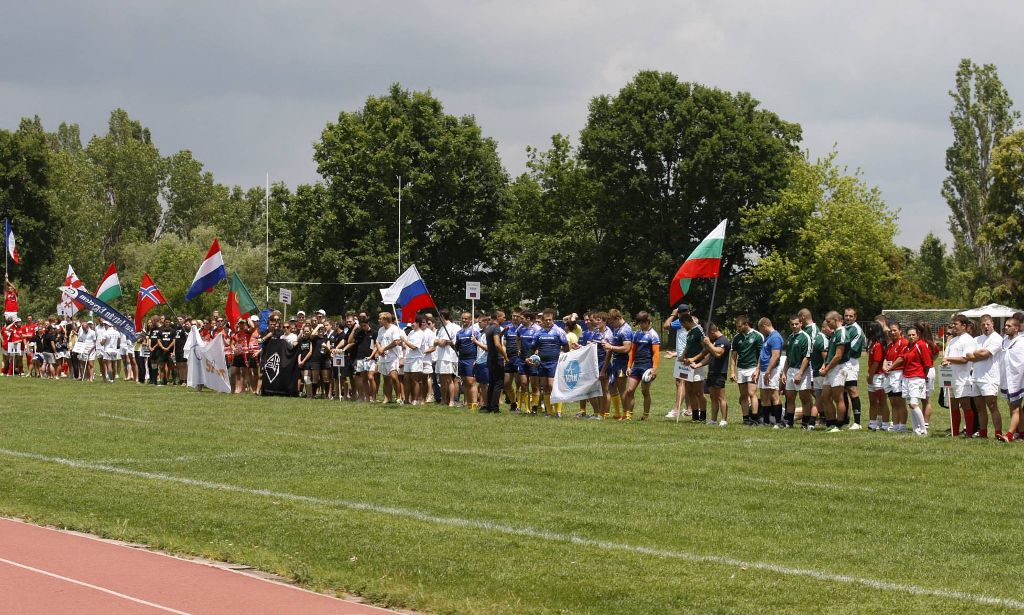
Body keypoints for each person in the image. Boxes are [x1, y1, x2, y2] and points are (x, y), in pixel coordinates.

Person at [885, 323, 933, 437]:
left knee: (914, 403)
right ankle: (916, 429)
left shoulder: (921, 345)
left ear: (918, 335)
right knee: (910, 404)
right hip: (906, 377)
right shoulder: (908, 347)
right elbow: (901, 358)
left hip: (916, 378)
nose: (911, 337)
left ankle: (923, 429)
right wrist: (890, 368)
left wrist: (922, 376)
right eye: (909, 335)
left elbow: (927, 364)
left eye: (913, 335)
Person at [967, 314, 1003, 439]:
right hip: (976, 376)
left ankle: (998, 433)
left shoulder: (997, 338)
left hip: (990, 377)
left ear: (992, 323)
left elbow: (986, 353)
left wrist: (977, 353)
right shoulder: (976, 339)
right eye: (983, 324)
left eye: (988, 324)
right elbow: (968, 356)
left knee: (992, 406)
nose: (985, 327)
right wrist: (978, 354)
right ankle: (983, 434)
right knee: (980, 407)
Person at [942, 314, 977, 437]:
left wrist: (948, 358)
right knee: (953, 406)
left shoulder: (968, 340)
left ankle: (968, 433)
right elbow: (946, 357)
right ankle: (954, 433)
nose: (953, 326)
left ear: (964, 326)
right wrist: (945, 362)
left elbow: (965, 359)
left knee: (966, 405)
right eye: (953, 324)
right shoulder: (952, 340)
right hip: (951, 377)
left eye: (956, 324)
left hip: (962, 378)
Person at [622, 311, 659, 421]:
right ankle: (629, 415)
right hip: (637, 366)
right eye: (640, 323)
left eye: (643, 322)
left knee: (645, 391)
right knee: (629, 390)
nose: (641, 325)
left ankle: (645, 415)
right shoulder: (637, 334)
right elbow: (632, 352)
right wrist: (629, 366)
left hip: (647, 367)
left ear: (648, 321)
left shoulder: (653, 335)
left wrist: (654, 369)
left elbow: (656, 353)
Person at [531, 308, 569, 417]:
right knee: (545, 387)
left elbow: (566, 346)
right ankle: (549, 411)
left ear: (553, 320)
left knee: (553, 386)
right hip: (542, 363)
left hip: (554, 363)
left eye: (550, 320)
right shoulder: (538, 333)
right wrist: (529, 357)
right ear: (542, 320)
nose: (548, 322)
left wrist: (562, 353)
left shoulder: (559, 331)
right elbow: (533, 347)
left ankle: (558, 411)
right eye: (546, 320)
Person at [728, 315, 762, 425]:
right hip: (741, 369)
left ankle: (754, 418)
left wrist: (758, 369)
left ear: (746, 324)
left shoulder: (757, 336)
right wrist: (733, 371)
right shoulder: (737, 338)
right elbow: (733, 356)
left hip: (752, 368)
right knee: (743, 395)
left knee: (752, 393)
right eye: (737, 327)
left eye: (739, 326)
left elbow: (762, 355)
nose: (737, 329)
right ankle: (746, 418)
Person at [695, 324, 730, 426]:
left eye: (708, 335)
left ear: (712, 332)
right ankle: (713, 420)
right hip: (711, 372)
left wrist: (709, 344)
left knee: (721, 397)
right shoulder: (714, 341)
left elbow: (718, 354)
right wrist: (698, 365)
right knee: (713, 397)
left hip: (720, 373)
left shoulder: (723, 341)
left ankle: (724, 420)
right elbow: (710, 357)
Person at [819, 311, 849, 433]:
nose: (827, 323)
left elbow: (838, 356)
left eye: (829, 321)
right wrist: (824, 365)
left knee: (838, 398)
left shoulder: (841, 332)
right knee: (825, 397)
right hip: (830, 369)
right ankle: (831, 423)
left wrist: (827, 369)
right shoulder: (835, 333)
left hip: (838, 369)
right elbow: (830, 354)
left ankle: (839, 424)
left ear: (836, 319)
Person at [783, 315, 813, 429]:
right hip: (790, 370)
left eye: (796, 324)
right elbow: (787, 357)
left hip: (802, 371)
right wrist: (784, 372)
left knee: (804, 399)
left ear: (801, 324)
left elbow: (807, 357)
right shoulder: (790, 337)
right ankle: (789, 423)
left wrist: (800, 373)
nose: (794, 326)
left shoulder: (805, 337)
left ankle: (805, 423)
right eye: (792, 324)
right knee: (790, 398)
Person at [603, 309, 633, 420]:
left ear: (617, 318)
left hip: (623, 363)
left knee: (622, 389)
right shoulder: (617, 328)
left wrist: (611, 347)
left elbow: (627, 348)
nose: (610, 324)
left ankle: (626, 414)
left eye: (611, 322)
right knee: (611, 387)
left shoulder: (626, 330)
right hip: (615, 362)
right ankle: (617, 413)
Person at [998, 317, 1024, 442]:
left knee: (1015, 407)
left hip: (1018, 379)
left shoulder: (1021, 342)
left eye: (1009, 326)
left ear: (1016, 328)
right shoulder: (1004, 341)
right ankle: (1021, 433)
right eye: (1006, 325)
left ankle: (1008, 435)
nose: (1006, 327)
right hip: (1008, 378)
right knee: (1014, 407)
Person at [757, 317, 784, 426]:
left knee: (774, 395)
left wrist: (768, 371)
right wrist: (757, 368)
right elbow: (763, 354)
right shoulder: (767, 337)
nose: (761, 331)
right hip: (763, 369)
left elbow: (775, 356)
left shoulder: (775, 337)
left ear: (764, 326)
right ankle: (766, 421)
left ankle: (778, 422)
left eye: (760, 329)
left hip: (771, 370)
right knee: (764, 396)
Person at [431, 309, 461, 407]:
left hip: (448, 357)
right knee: (442, 380)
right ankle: (444, 399)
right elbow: (436, 342)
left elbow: (443, 343)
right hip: (440, 357)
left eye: (439, 316)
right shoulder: (442, 328)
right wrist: (438, 342)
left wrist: (438, 342)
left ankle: (452, 400)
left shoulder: (453, 327)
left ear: (442, 316)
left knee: (449, 380)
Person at [842, 308, 865, 429]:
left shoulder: (856, 330)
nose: (848, 318)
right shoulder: (844, 327)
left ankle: (857, 422)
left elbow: (852, 349)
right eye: (846, 316)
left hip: (851, 362)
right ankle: (845, 420)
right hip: (841, 362)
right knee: (843, 391)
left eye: (851, 316)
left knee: (852, 390)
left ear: (855, 317)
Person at [375, 312, 406, 404]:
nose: (379, 320)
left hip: (393, 357)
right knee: (386, 378)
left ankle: (398, 396)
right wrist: (380, 349)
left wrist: (384, 348)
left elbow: (396, 342)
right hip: (384, 357)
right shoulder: (381, 329)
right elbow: (377, 341)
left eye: (380, 319)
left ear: (385, 319)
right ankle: (387, 398)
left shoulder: (395, 329)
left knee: (393, 376)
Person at [865, 321, 889, 431]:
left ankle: (885, 424)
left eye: (870, 329)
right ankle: (872, 423)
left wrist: (871, 375)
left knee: (882, 401)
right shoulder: (873, 344)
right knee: (872, 401)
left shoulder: (878, 345)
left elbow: (876, 362)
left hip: (878, 376)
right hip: (873, 375)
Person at [884, 322, 908, 433]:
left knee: (900, 401)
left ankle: (902, 426)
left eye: (895, 330)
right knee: (892, 401)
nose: (892, 332)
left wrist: (891, 367)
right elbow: (886, 358)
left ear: (900, 331)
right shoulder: (890, 345)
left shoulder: (903, 343)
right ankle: (895, 425)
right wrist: (885, 366)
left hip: (898, 373)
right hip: (889, 375)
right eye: (891, 330)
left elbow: (901, 359)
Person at [484, 311, 508, 413]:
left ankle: (489, 406)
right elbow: (497, 344)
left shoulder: (489, 328)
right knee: (498, 383)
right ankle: (495, 408)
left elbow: (493, 339)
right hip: (497, 359)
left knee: (492, 383)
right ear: (498, 317)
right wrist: (505, 356)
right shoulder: (496, 327)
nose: (505, 319)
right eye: (503, 317)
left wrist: (502, 334)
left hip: (490, 358)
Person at [502, 308, 523, 412]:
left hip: (519, 359)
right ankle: (513, 403)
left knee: (519, 382)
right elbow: (504, 344)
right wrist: (505, 356)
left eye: (517, 316)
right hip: (509, 359)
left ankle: (518, 405)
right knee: (506, 383)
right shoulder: (508, 328)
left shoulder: (523, 328)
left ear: (521, 317)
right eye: (513, 316)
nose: (515, 318)